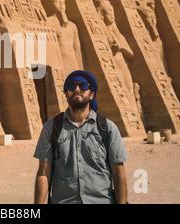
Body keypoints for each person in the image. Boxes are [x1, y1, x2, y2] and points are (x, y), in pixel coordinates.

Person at [33, 70, 128, 204]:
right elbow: (43, 173)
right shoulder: (51, 128)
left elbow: (118, 172)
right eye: (72, 86)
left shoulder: (108, 128)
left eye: (83, 86)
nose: (77, 90)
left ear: (91, 94)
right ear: (66, 94)